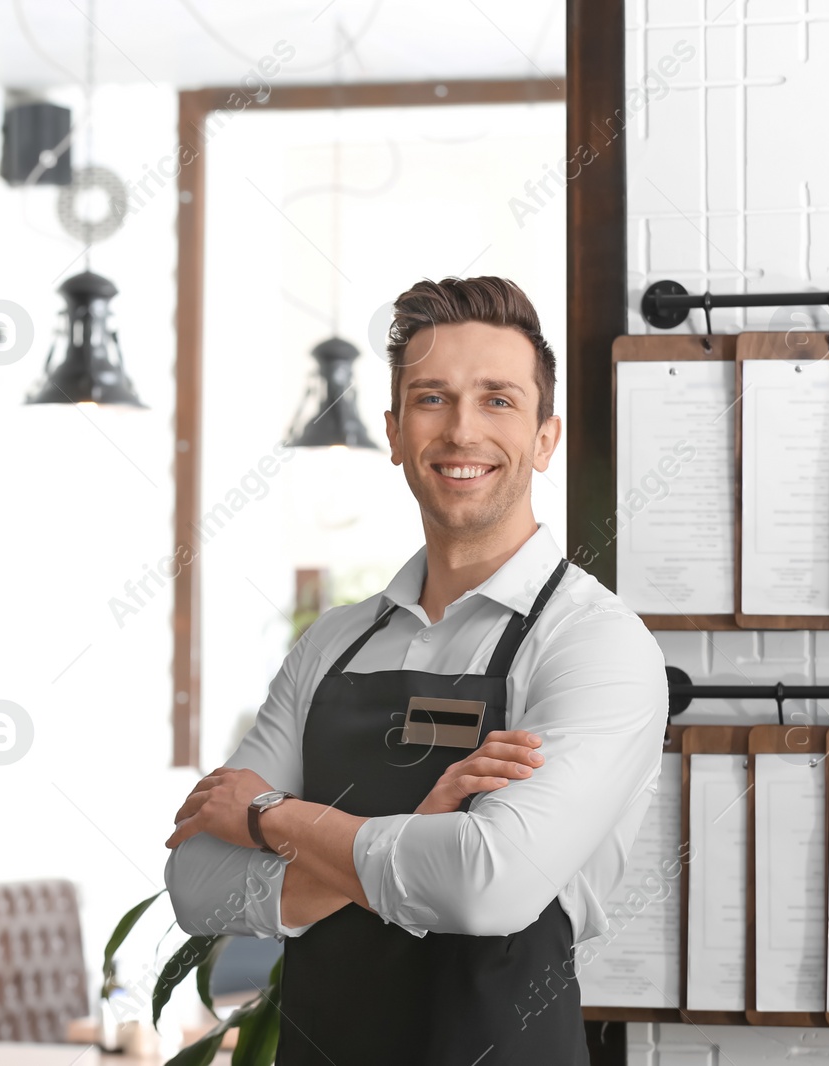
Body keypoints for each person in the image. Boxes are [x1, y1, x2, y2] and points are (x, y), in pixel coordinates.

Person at [163, 276, 668, 1065]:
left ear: (544, 438)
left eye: (498, 400)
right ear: (396, 433)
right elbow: (195, 883)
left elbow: (484, 886)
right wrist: (424, 836)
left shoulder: (595, 644)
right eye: (433, 398)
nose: (462, 431)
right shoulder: (332, 643)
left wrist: (270, 818)